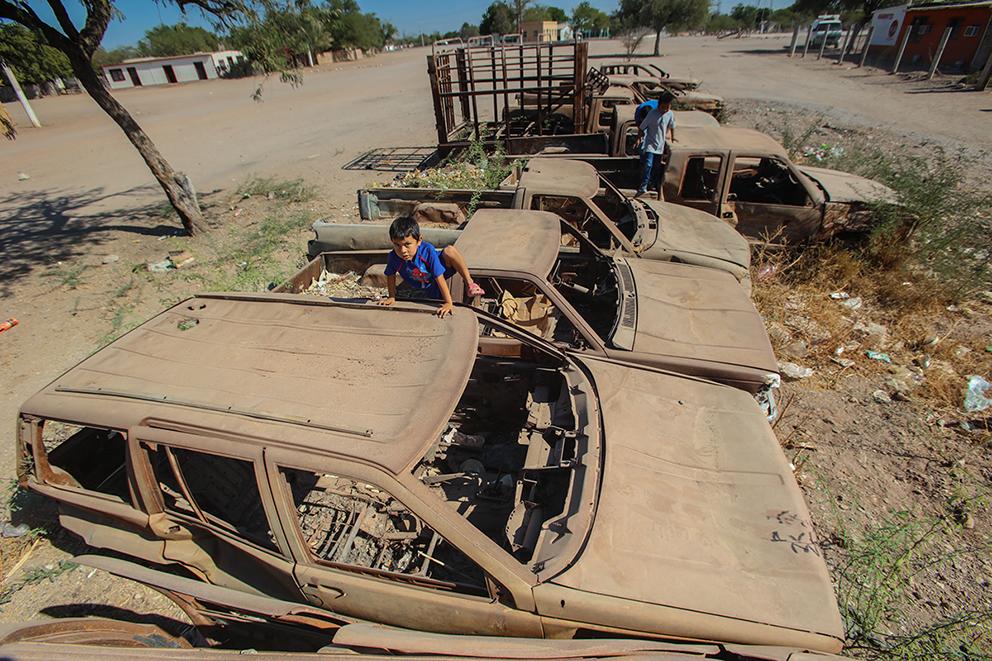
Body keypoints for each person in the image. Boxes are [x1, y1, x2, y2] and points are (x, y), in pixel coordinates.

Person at [378, 216, 484, 318]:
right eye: (397, 245)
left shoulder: (427, 250)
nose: (403, 251)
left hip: (442, 268)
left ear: (419, 241)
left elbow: (439, 276)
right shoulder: (394, 256)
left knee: (450, 251)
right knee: (434, 299)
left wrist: (448, 303)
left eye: (407, 244)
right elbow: (390, 275)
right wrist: (392, 297)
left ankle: (470, 284)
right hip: (426, 281)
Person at [635, 91, 676, 198]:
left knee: (657, 167)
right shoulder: (652, 114)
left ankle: (652, 184)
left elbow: (672, 126)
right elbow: (642, 127)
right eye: (664, 107)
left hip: (660, 146)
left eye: (668, 107)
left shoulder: (670, 114)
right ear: (659, 105)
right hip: (650, 144)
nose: (666, 109)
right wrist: (639, 138)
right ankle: (643, 186)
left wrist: (673, 138)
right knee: (648, 165)